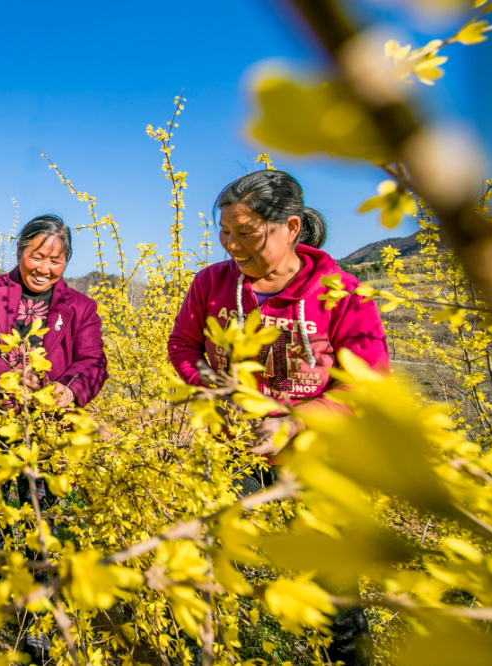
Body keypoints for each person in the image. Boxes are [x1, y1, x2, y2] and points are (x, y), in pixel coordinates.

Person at [167, 170, 388, 666]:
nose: (232, 246)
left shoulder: (342, 293)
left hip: (314, 457)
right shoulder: (211, 284)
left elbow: (366, 385)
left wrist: (295, 420)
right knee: (202, 564)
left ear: (290, 227)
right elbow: (183, 345)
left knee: (333, 587)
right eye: (225, 232)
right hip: (232, 449)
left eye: (247, 233)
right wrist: (215, 386)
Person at [0, 214, 108, 664]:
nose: (44, 267)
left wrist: (70, 390)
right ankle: (9, 580)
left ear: (67, 262)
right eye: (36, 256)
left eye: (56, 260)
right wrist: (4, 377)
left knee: (42, 518)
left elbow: (93, 361)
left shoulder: (81, 307)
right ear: (20, 251)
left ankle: (36, 618)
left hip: (47, 430)